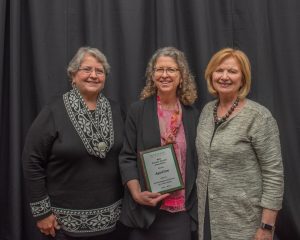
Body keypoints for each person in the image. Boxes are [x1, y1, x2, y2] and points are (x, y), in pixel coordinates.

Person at [22, 47, 128, 239]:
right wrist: (42, 213)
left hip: (114, 222)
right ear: (73, 75)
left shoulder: (115, 109)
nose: (93, 75)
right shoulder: (54, 111)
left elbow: (127, 155)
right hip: (64, 225)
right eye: (86, 69)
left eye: (99, 71)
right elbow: (31, 162)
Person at [196, 48, 284, 240]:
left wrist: (267, 227)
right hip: (208, 217)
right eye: (219, 70)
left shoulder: (259, 117)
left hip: (245, 222)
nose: (224, 76)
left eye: (232, 71)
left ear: (243, 79)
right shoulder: (206, 111)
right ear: (211, 75)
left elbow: (273, 174)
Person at [119, 47, 199, 240]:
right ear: (152, 75)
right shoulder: (137, 111)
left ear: (181, 76)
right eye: (159, 69)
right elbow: (127, 156)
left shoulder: (192, 114)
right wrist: (137, 194)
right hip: (145, 213)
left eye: (171, 70)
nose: (164, 75)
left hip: (180, 214)